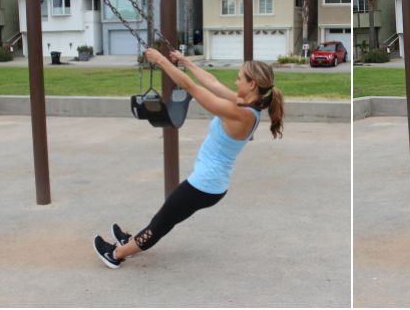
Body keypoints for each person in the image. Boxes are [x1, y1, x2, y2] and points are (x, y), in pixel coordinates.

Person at [93, 48, 284, 269]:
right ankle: (130, 242)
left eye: (239, 78)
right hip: (210, 184)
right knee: (165, 215)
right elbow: (213, 84)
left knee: (162, 223)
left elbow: (192, 88)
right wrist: (185, 62)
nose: (235, 82)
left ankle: (116, 254)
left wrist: (162, 61)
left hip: (205, 185)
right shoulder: (247, 105)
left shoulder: (241, 113)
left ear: (252, 85)